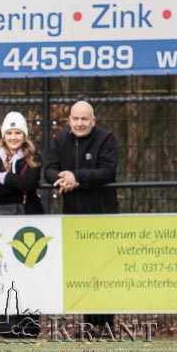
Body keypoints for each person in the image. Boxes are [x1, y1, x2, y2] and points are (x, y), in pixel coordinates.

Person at [45, 100, 119, 328]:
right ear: (69, 120)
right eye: (75, 119)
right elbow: (48, 170)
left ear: (93, 121)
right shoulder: (60, 140)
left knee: (103, 271)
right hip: (72, 219)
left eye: (84, 119)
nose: (80, 123)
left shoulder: (106, 139)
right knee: (82, 272)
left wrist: (76, 177)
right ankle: (89, 325)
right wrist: (63, 179)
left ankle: (105, 324)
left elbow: (107, 172)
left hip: (101, 218)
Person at [0, 111, 44, 215]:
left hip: (30, 212)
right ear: (4, 136)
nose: (13, 137)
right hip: (2, 212)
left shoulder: (33, 157)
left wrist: (3, 177)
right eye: (9, 133)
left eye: (18, 133)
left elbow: (30, 184)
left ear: (24, 136)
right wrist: (18, 185)